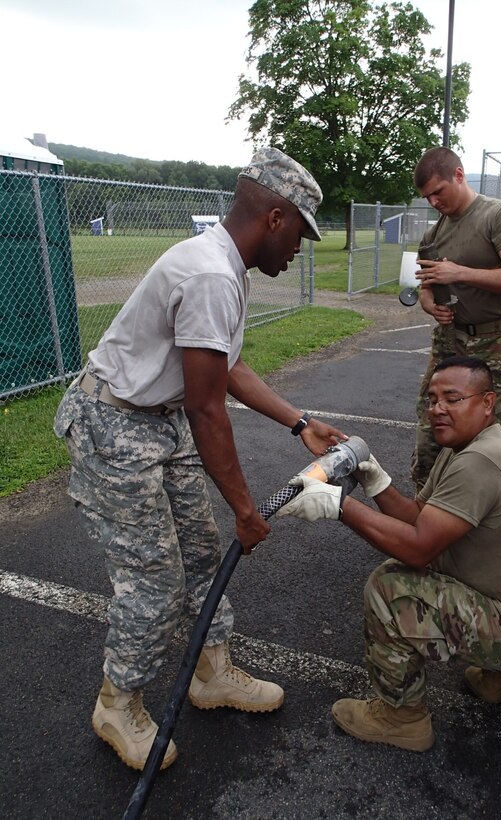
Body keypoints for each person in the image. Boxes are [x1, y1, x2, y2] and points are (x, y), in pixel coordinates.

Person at [53, 147, 347, 771]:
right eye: (300, 231)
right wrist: (246, 507)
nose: (301, 248)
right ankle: (116, 703)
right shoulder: (211, 273)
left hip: (162, 421)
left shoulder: (227, 266)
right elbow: (209, 410)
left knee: (201, 556)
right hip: (116, 425)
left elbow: (227, 365)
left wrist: (299, 423)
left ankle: (210, 673)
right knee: (153, 582)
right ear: (273, 217)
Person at [277, 356, 501, 752]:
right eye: (432, 399)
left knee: (391, 587)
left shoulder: (481, 462)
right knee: (419, 570)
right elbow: (419, 518)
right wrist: (376, 480)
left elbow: (418, 549)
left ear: (487, 402)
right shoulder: (464, 448)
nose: (437, 409)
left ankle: (402, 718)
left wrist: (339, 507)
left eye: (452, 398)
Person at [411, 146, 501, 491]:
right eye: (427, 197)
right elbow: (425, 285)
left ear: (459, 176)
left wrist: (460, 272)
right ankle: (428, 519)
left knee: (496, 434)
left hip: (500, 343)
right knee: (433, 431)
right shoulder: (433, 235)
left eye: (439, 191)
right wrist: (429, 305)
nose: (434, 202)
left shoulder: (500, 216)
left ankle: (491, 520)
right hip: (451, 341)